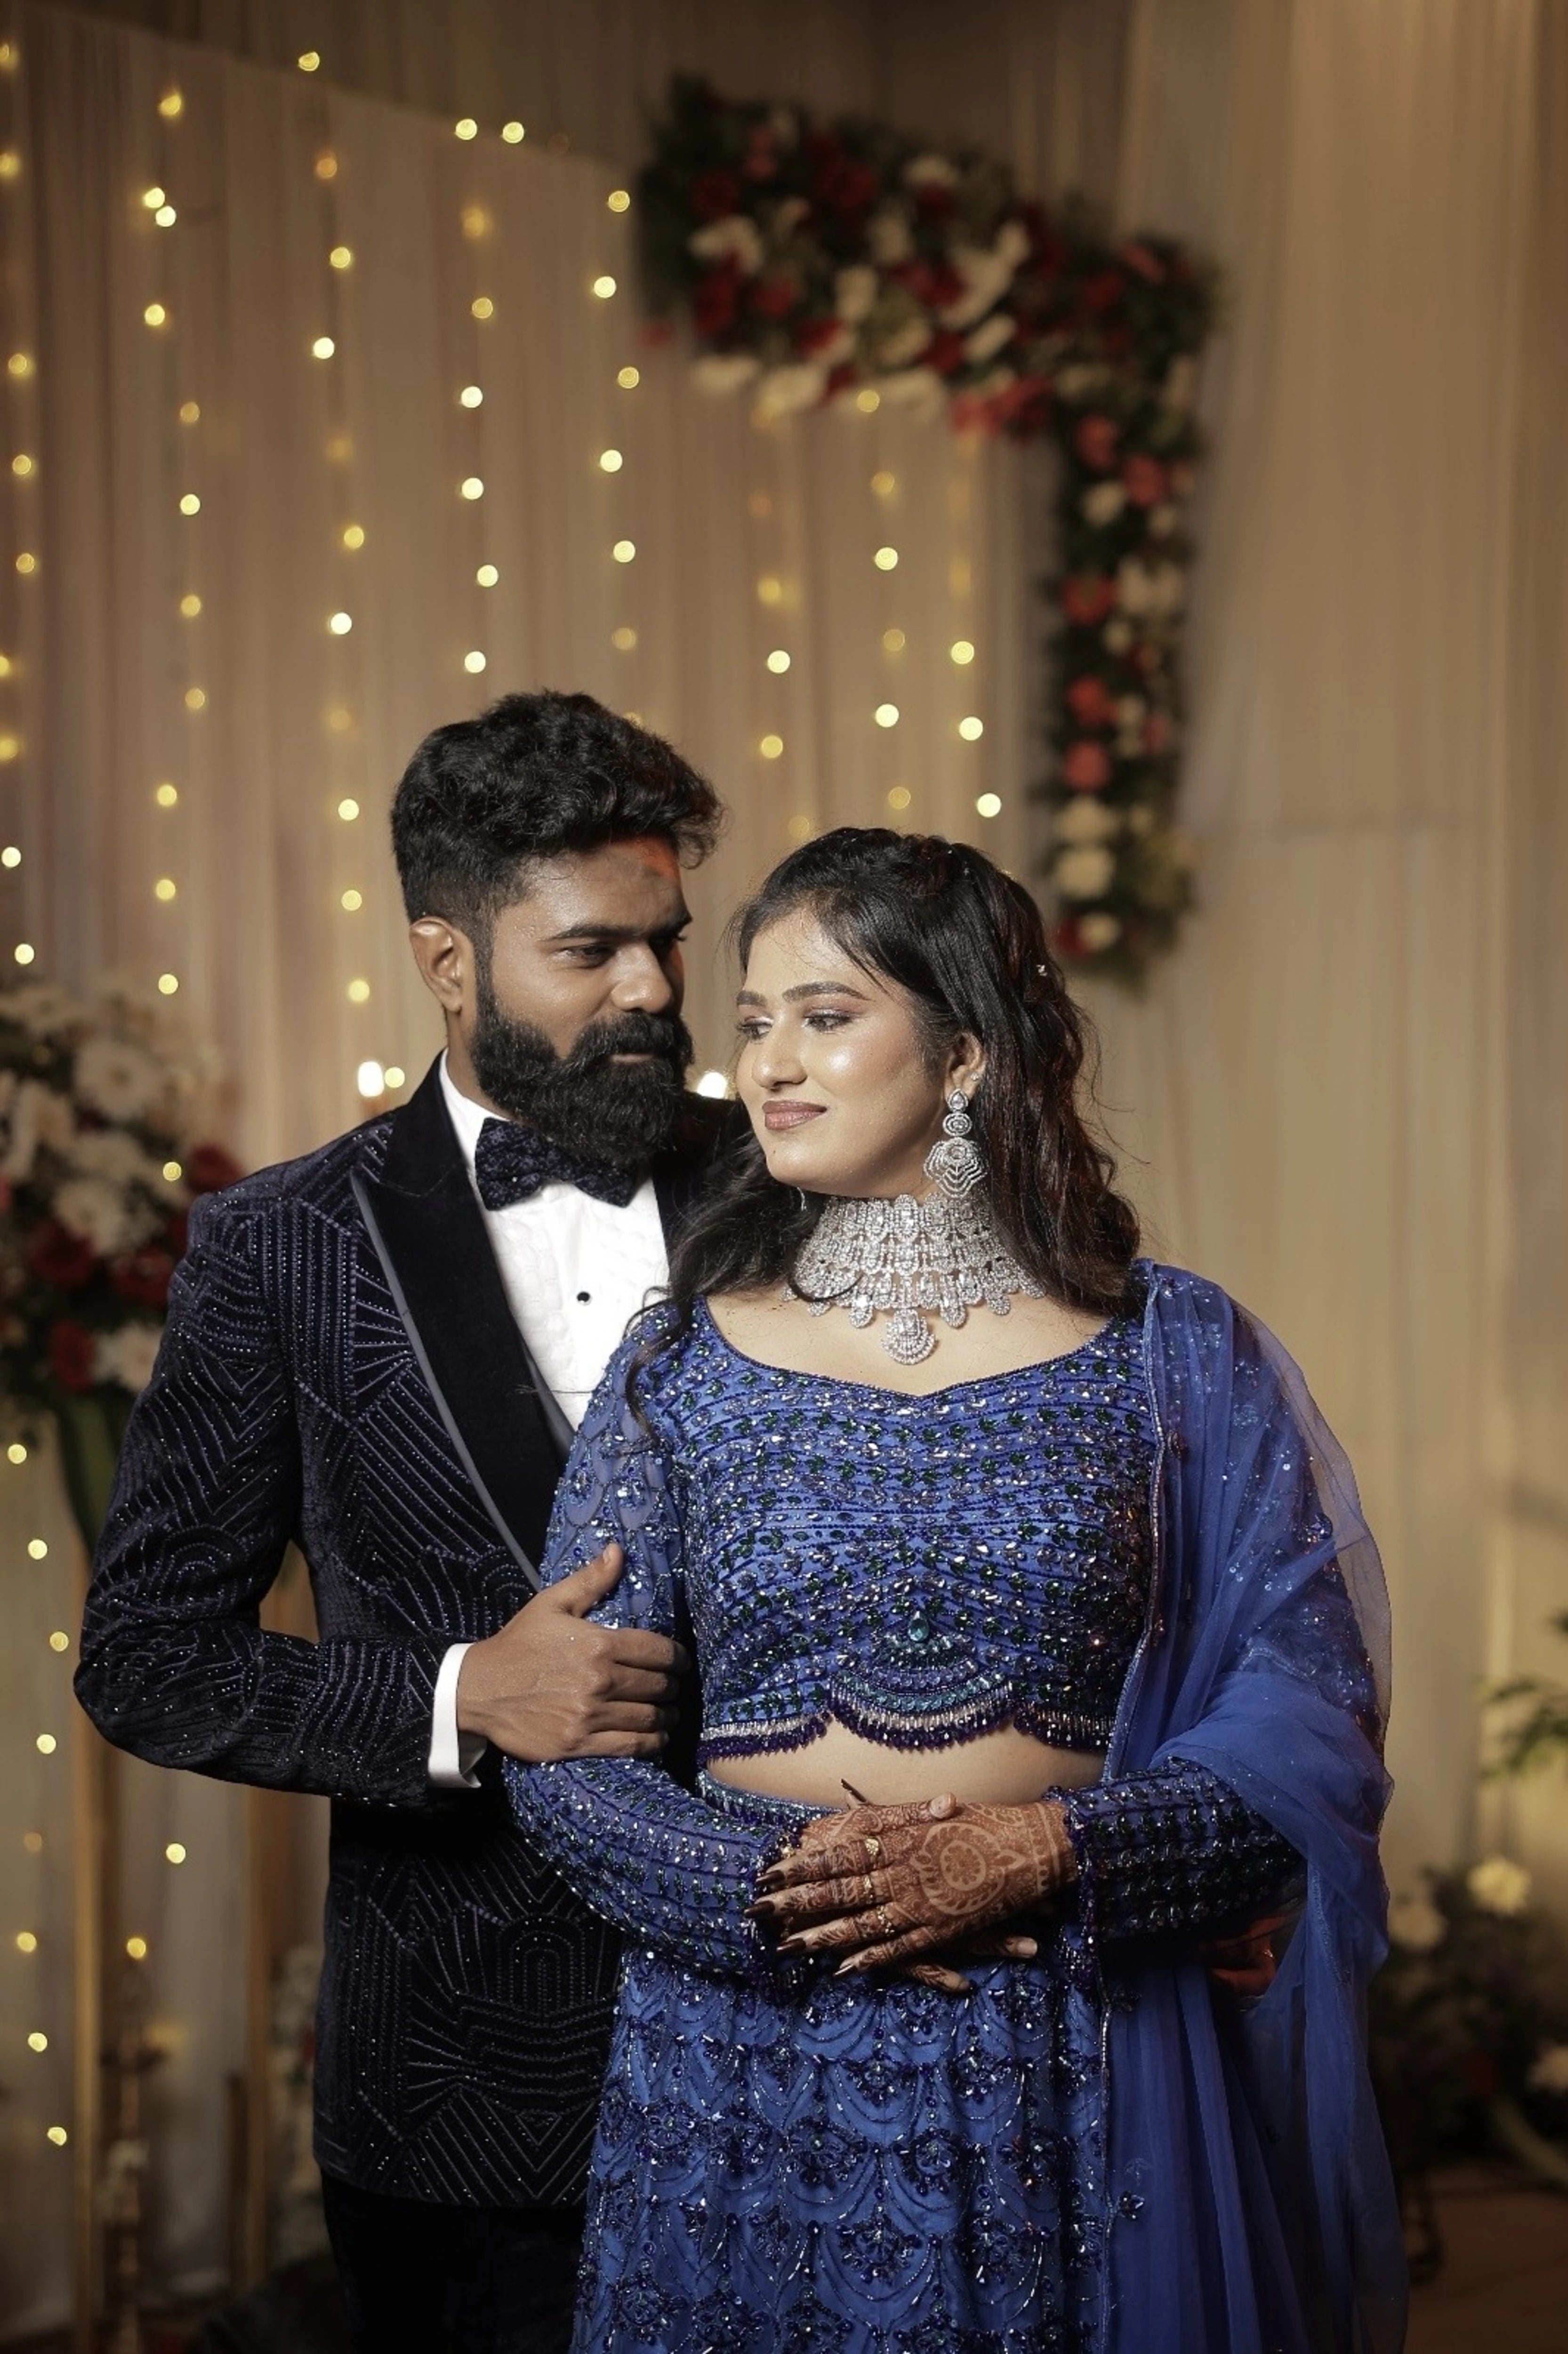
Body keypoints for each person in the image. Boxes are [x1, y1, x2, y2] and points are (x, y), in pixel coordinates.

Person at [506, 827, 1407, 2354]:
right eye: (752, 1022)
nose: (769, 1064)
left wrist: (1047, 1851)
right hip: (738, 2048)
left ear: (968, 1053)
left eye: (825, 1014)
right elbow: (566, 1760)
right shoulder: (677, 1366)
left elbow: (1310, 1722)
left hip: (1058, 2033)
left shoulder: (1169, 1354)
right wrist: (795, 1899)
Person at [76, 692, 735, 2354]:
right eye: (592, 951)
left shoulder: (792, 1187)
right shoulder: (274, 1248)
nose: (654, 990)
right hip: (460, 2096)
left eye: (666, 939)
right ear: (448, 961)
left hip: (802, 2040)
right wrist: (456, 1700)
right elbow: (145, 1659)